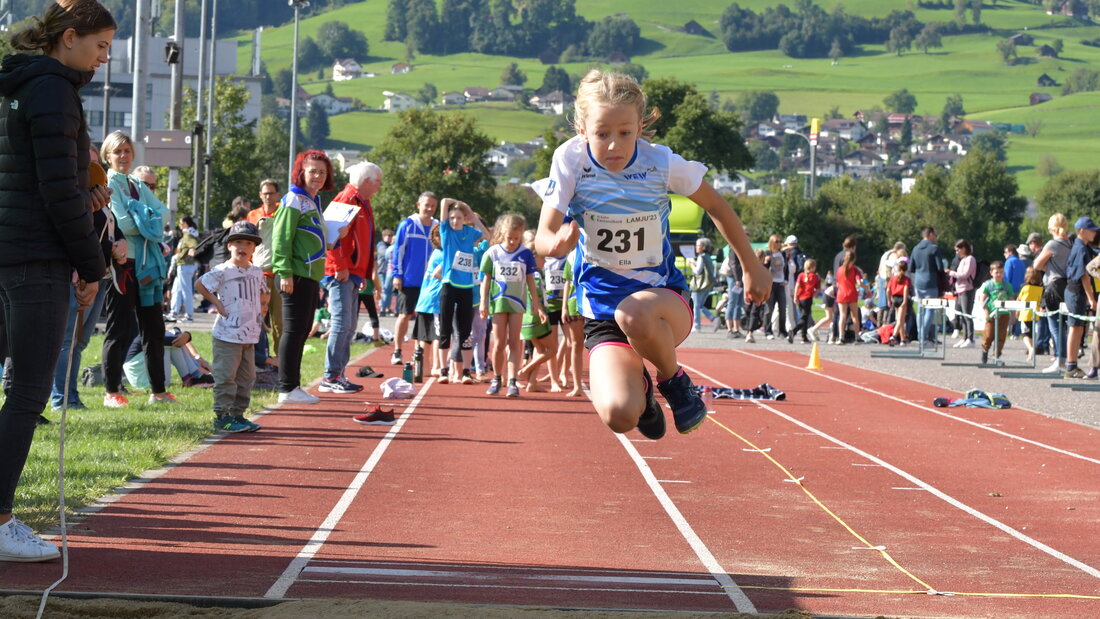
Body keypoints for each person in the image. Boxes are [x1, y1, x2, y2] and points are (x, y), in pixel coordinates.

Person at [534, 69, 769, 439]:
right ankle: (642, 392)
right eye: (602, 134)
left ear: (640, 126)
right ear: (582, 130)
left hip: (662, 304)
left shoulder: (660, 163)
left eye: (625, 132)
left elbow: (717, 206)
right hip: (602, 311)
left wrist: (751, 266)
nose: (614, 145)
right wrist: (556, 245)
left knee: (635, 312)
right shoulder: (570, 160)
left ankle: (675, 382)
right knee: (618, 415)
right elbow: (542, 237)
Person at [0, 0, 115, 562]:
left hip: (8, 249)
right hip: (33, 259)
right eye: (100, 46)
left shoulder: (16, 84)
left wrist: (81, 191)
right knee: (26, 392)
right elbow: (54, 191)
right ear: (69, 37)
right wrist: (92, 266)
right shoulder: (52, 90)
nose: (104, 58)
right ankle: (0, 520)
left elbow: (35, 179)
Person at [101, 130, 175, 406]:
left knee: (153, 329)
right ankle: (111, 392)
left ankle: (159, 391)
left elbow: (163, 213)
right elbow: (123, 223)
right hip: (122, 265)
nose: (123, 156)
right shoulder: (108, 182)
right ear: (108, 155)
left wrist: (142, 215)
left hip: (147, 266)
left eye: (127, 151)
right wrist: (147, 218)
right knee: (118, 329)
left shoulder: (136, 183)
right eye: (118, 151)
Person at [50, 147, 120, 412]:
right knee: (66, 342)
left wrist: (120, 241)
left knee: (79, 342)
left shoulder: (100, 198)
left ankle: (71, 396)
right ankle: (61, 398)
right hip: (76, 277)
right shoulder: (73, 199)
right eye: (87, 163)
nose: (93, 169)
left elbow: (109, 229)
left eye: (96, 163)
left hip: (99, 276)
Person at [272, 150, 334, 405]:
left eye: (322, 172)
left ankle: (293, 386)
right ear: (301, 172)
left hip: (309, 276)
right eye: (312, 171)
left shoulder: (314, 200)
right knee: (293, 330)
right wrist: (284, 272)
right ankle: (287, 388)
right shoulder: (294, 199)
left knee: (302, 330)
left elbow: (313, 238)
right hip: (294, 274)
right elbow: (281, 238)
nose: (317, 176)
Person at [196, 221, 269, 432]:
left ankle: (238, 415)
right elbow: (200, 284)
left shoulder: (257, 272)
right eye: (238, 242)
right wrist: (216, 302)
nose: (243, 247)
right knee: (226, 376)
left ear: (254, 249)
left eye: (248, 243)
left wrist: (262, 313)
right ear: (229, 246)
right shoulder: (222, 270)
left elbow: (264, 293)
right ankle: (222, 416)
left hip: (249, 335)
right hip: (227, 335)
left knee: (247, 378)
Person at [320, 161, 381, 394]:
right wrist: (339, 265)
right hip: (342, 272)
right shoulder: (347, 199)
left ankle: (338, 374)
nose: (379, 187)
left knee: (349, 325)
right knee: (341, 323)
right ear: (366, 181)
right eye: (377, 182)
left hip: (354, 272)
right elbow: (330, 234)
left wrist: (363, 273)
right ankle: (331, 376)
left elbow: (364, 241)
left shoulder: (363, 202)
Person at [482, 214, 544, 397]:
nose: (512, 242)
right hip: (499, 303)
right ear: (502, 233)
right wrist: (483, 302)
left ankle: (512, 381)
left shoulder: (525, 254)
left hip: (517, 304)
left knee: (515, 342)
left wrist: (536, 303)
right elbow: (486, 280)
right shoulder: (493, 253)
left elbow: (530, 280)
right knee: (499, 343)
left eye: (516, 238)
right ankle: (496, 378)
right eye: (509, 238)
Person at [436, 198, 489, 383]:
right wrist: (458, 203)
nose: (454, 221)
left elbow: (486, 236)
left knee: (466, 331)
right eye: (452, 217)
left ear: (464, 219)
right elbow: (444, 202)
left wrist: (472, 216)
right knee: (445, 330)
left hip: (466, 287)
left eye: (458, 218)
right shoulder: (446, 231)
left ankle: (466, 371)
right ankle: (443, 370)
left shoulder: (469, 232)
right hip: (449, 285)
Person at [390, 192, 439, 366]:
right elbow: (398, 250)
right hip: (410, 279)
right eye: (427, 205)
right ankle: (397, 351)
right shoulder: (408, 225)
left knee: (425, 317)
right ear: (419, 205)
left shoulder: (437, 226)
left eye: (433, 206)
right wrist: (397, 274)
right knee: (405, 315)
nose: (429, 208)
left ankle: (418, 353)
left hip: (431, 282)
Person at [1034, 213, 1073, 374]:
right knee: (1064, 326)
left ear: (1052, 228)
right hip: (1067, 285)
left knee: (1055, 326)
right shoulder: (1070, 244)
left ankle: (1059, 359)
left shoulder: (1052, 244)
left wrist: (1047, 267)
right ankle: (1066, 359)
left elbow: (1036, 265)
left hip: (1053, 285)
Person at [248, 179, 283, 354]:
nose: (268, 197)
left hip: (278, 274)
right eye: (265, 193)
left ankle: (279, 359)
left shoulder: (283, 213)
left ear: (277, 195)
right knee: (254, 319)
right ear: (260, 195)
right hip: (257, 274)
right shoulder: (253, 215)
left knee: (279, 321)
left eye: (271, 193)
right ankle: (256, 357)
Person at [1062, 216, 1099, 378]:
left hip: (1075, 292)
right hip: (1075, 291)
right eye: (1092, 230)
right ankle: (1070, 365)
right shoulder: (1080, 248)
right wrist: (1091, 299)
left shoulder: (1083, 246)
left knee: (1078, 327)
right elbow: (1084, 275)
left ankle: (1072, 364)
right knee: (1075, 327)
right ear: (1082, 231)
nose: (1095, 233)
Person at [412, 230, 444, 380]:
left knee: (425, 336)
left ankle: (424, 368)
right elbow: (440, 274)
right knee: (437, 334)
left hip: (425, 299)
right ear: (436, 238)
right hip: (434, 299)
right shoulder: (443, 254)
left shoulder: (435, 253)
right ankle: (436, 366)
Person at [911, 226, 946, 347]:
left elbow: (911, 267)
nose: (936, 237)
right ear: (930, 234)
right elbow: (940, 267)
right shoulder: (934, 248)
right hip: (930, 281)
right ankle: (923, 337)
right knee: (930, 309)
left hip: (918, 281)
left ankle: (920, 335)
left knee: (920, 309)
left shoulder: (915, 248)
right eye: (935, 235)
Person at [976, 261, 1015, 365]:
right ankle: (985, 350)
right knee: (988, 335)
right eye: (997, 272)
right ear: (991, 273)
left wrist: (1013, 315)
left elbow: (1012, 301)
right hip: (992, 314)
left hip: (1004, 314)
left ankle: (996, 356)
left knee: (1001, 336)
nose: (999, 274)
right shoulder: (988, 285)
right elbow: (983, 301)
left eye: (1001, 272)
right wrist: (986, 312)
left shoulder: (1007, 286)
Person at [168, 216, 199, 321]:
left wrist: (185, 255)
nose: (180, 225)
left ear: (186, 223)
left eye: (181, 223)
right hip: (184, 265)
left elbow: (194, 246)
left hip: (185, 265)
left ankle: (189, 315)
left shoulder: (188, 235)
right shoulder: (190, 234)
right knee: (176, 290)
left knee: (186, 290)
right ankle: (174, 312)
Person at [949, 239, 978, 349]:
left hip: (967, 289)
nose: (957, 252)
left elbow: (965, 275)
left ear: (964, 248)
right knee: (961, 315)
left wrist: (951, 273)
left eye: (958, 250)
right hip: (960, 290)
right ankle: (965, 337)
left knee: (967, 314)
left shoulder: (970, 259)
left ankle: (970, 338)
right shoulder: (963, 260)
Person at [835, 250, 865, 345]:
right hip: (851, 293)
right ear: (854, 259)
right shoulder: (855, 270)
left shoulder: (840, 269)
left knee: (842, 316)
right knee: (855, 316)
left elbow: (837, 282)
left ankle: (841, 336)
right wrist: (866, 287)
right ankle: (857, 336)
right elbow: (859, 282)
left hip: (841, 293)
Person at [688, 237, 717, 332]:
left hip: (699, 285)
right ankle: (713, 318)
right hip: (707, 284)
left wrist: (691, 265)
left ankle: (696, 325)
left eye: (698, 245)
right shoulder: (707, 256)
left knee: (696, 305)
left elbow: (697, 271)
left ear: (703, 247)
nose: (696, 247)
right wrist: (694, 262)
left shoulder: (701, 257)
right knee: (700, 305)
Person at [762, 234, 788, 340]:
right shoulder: (768, 253)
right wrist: (766, 262)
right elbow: (763, 269)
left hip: (780, 283)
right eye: (777, 241)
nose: (779, 244)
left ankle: (782, 331)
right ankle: (768, 331)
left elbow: (785, 268)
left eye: (780, 241)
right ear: (772, 242)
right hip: (771, 284)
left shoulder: (783, 254)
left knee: (782, 308)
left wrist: (786, 280)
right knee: (769, 309)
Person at [790, 258, 820, 344]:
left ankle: (804, 336)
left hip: (800, 298)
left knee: (804, 317)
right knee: (804, 318)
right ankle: (794, 331)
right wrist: (813, 295)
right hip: (808, 298)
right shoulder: (814, 276)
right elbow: (817, 289)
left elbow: (797, 286)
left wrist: (795, 296)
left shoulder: (801, 275)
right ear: (813, 267)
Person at [1016, 267, 1043, 361]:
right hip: (1035, 314)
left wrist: (1017, 312)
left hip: (1025, 313)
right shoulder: (1041, 288)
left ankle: (1030, 348)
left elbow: (1019, 300)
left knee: (1024, 334)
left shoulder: (1024, 287)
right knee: (1031, 333)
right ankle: (1030, 350)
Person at [887, 260, 914, 346]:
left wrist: (889, 299)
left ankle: (903, 339)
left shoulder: (893, 278)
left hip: (894, 298)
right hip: (902, 298)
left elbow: (888, 290)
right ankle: (894, 336)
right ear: (906, 269)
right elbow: (905, 290)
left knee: (901, 320)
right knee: (900, 320)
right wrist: (905, 301)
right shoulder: (906, 279)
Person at [376, 228, 395, 315]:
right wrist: (393, 247)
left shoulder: (390, 246)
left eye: (390, 236)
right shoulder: (381, 245)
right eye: (387, 235)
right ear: (383, 236)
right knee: (384, 289)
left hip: (389, 271)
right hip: (382, 270)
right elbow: (385, 254)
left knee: (389, 290)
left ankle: (387, 307)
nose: (389, 237)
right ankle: (382, 308)